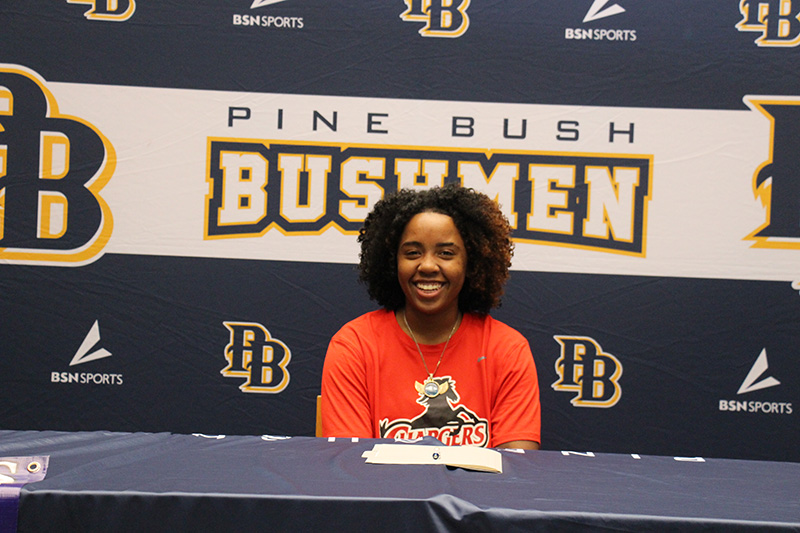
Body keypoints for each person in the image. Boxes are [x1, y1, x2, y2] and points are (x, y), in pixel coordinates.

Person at [321, 184, 540, 449]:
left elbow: (517, 471)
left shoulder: (507, 349)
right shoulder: (354, 346)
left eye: (446, 254)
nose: (427, 266)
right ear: (392, 262)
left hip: (477, 492)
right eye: (412, 253)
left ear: (472, 262)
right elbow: (350, 467)